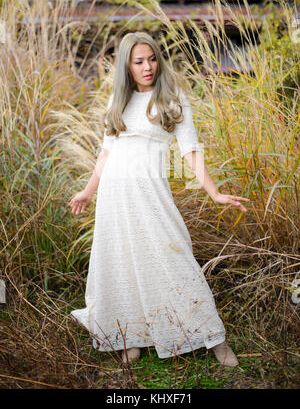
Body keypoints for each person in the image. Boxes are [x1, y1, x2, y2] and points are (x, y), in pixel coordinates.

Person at [69, 31, 250, 367]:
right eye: (139, 61)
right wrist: (87, 190)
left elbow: (190, 148)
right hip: (115, 193)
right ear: (127, 65)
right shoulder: (118, 100)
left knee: (174, 254)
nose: (148, 66)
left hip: (150, 191)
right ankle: (130, 335)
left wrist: (214, 191)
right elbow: (106, 151)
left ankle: (213, 337)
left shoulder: (171, 95)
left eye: (152, 58)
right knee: (120, 259)